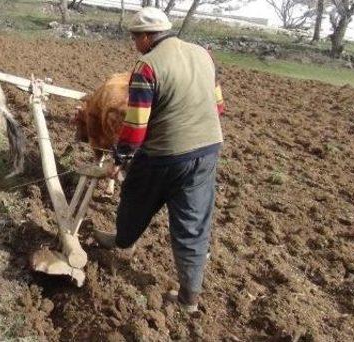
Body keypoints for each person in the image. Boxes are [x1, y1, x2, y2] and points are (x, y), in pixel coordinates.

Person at [92, 7, 225, 313]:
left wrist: (120, 159)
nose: (134, 43)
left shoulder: (147, 66)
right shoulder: (204, 55)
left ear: (148, 37)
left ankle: (123, 241)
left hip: (165, 155)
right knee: (192, 223)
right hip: (207, 152)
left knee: (135, 197)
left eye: (135, 37)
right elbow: (218, 106)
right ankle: (189, 299)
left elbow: (136, 126)